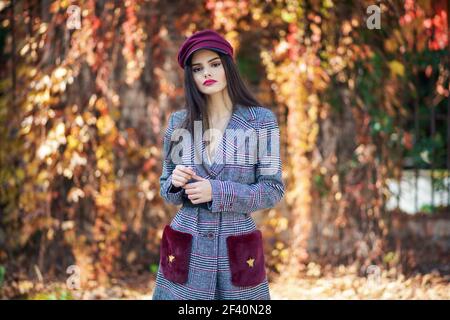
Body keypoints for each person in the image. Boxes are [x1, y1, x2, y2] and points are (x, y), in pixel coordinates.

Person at [152, 29, 285, 300]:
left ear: (228, 66)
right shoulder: (178, 123)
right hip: (187, 246)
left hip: (236, 249)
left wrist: (218, 192)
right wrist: (175, 182)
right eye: (198, 69)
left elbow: (273, 190)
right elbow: (166, 188)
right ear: (191, 77)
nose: (207, 74)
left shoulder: (261, 121)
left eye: (214, 64)